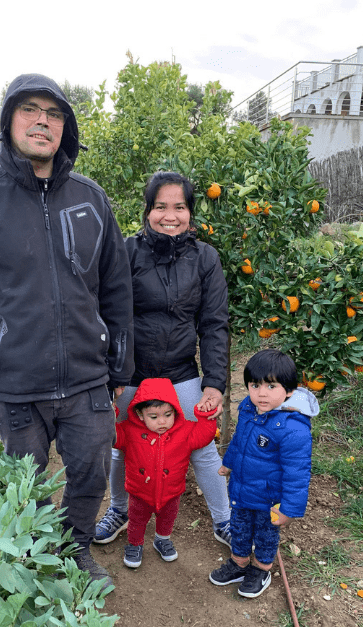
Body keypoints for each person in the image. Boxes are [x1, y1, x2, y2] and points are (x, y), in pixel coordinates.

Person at [0, 73, 134, 590]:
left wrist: (120, 369)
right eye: (30, 109)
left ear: (65, 130)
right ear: (8, 122)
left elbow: (116, 291)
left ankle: (77, 551)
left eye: (54, 113)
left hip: (88, 383)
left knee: (89, 479)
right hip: (13, 389)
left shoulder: (92, 200)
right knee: (24, 492)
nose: (43, 120)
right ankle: (37, 564)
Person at [94, 171, 231, 547]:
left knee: (202, 446)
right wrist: (109, 373)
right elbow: (106, 314)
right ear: (148, 210)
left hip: (181, 372)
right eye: (160, 207)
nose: (170, 216)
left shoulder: (205, 258)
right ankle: (120, 510)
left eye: (179, 207)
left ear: (191, 212)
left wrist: (215, 381)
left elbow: (215, 323)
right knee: (121, 445)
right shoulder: (126, 251)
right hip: (131, 373)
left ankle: (225, 519)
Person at [209, 349, 319, 598]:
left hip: (269, 498)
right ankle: (239, 563)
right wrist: (228, 463)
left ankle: (262, 569)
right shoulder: (249, 409)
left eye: (271, 386)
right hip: (241, 488)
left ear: (289, 390)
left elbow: (297, 473)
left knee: (265, 534)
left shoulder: (293, 428)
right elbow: (239, 440)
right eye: (255, 385)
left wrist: (289, 509)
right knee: (238, 527)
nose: (261, 393)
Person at [113, 377, 218, 568]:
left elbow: (204, 436)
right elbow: (114, 437)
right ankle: (135, 544)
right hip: (139, 491)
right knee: (137, 519)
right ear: (140, 414)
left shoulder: (184, 430)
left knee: (167, 518)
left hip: (172, 491)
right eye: (153, 417)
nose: (162, 421)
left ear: (176, 410)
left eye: (168, 414)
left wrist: (205, 416)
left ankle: (162, 539)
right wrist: (109, 418)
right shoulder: (129, 430)